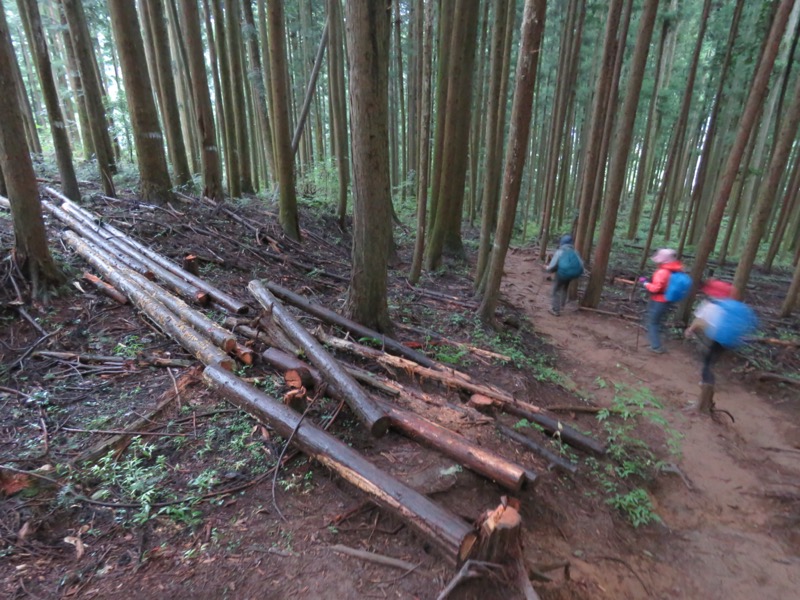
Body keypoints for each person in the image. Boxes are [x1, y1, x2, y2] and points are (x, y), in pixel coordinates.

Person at [684, 279, 734, 385]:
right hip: (726, 337)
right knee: (713, 356)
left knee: (706, 357)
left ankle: (707, 382)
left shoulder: (708, 305)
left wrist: (690, 329)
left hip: (712, 335)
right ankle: (711, 369)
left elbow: (699, 320)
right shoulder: (730, 306)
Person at [640, 248, 683, 353]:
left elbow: (656, 288)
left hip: (659, 300)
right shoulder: (675, 270)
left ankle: (656, 346)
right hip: (667, 299)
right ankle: (660, 340)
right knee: (659, 321)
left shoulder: (662, 272)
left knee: (653, 322)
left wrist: (645, 283)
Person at [545, 234, 584, 316]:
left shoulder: (560, 251)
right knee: (564, 288)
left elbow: (553, 265)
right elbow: (581, 264)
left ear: (562, 242)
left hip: (561, 274)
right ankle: (562, 306)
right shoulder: (575, 252)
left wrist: (547, 269)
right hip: (571, 275)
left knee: (556, 290)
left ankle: (555, 309)